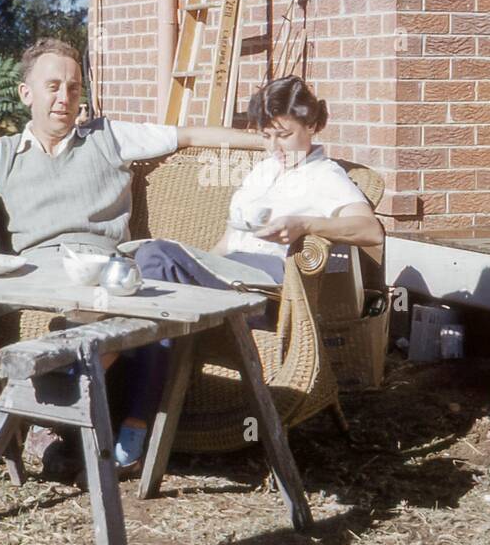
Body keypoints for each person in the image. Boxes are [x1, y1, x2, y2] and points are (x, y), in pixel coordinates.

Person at [0, 38, 262, 475]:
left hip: (97, 271)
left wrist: (269, 141)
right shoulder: (1, 153)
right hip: (27, 273)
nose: (64, 98)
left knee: (86, 317)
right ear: (25, 93)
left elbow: (188, 134)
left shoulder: (109, 137)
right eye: (53, 86)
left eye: (73, 88)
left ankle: (18, 423)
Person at [120, 75, 384, 467]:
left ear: (313, 126)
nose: (276, 147)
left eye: (285, 135)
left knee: (157, 259)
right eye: (267, 136)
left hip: (263, 299)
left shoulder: (325, 177)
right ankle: (130, 416)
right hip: (228, 279)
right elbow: (227, 245)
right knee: (146, 271)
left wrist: (306, 225)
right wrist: (192, 265)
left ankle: (134, 421)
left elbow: (370, 230)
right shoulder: (264, 171)